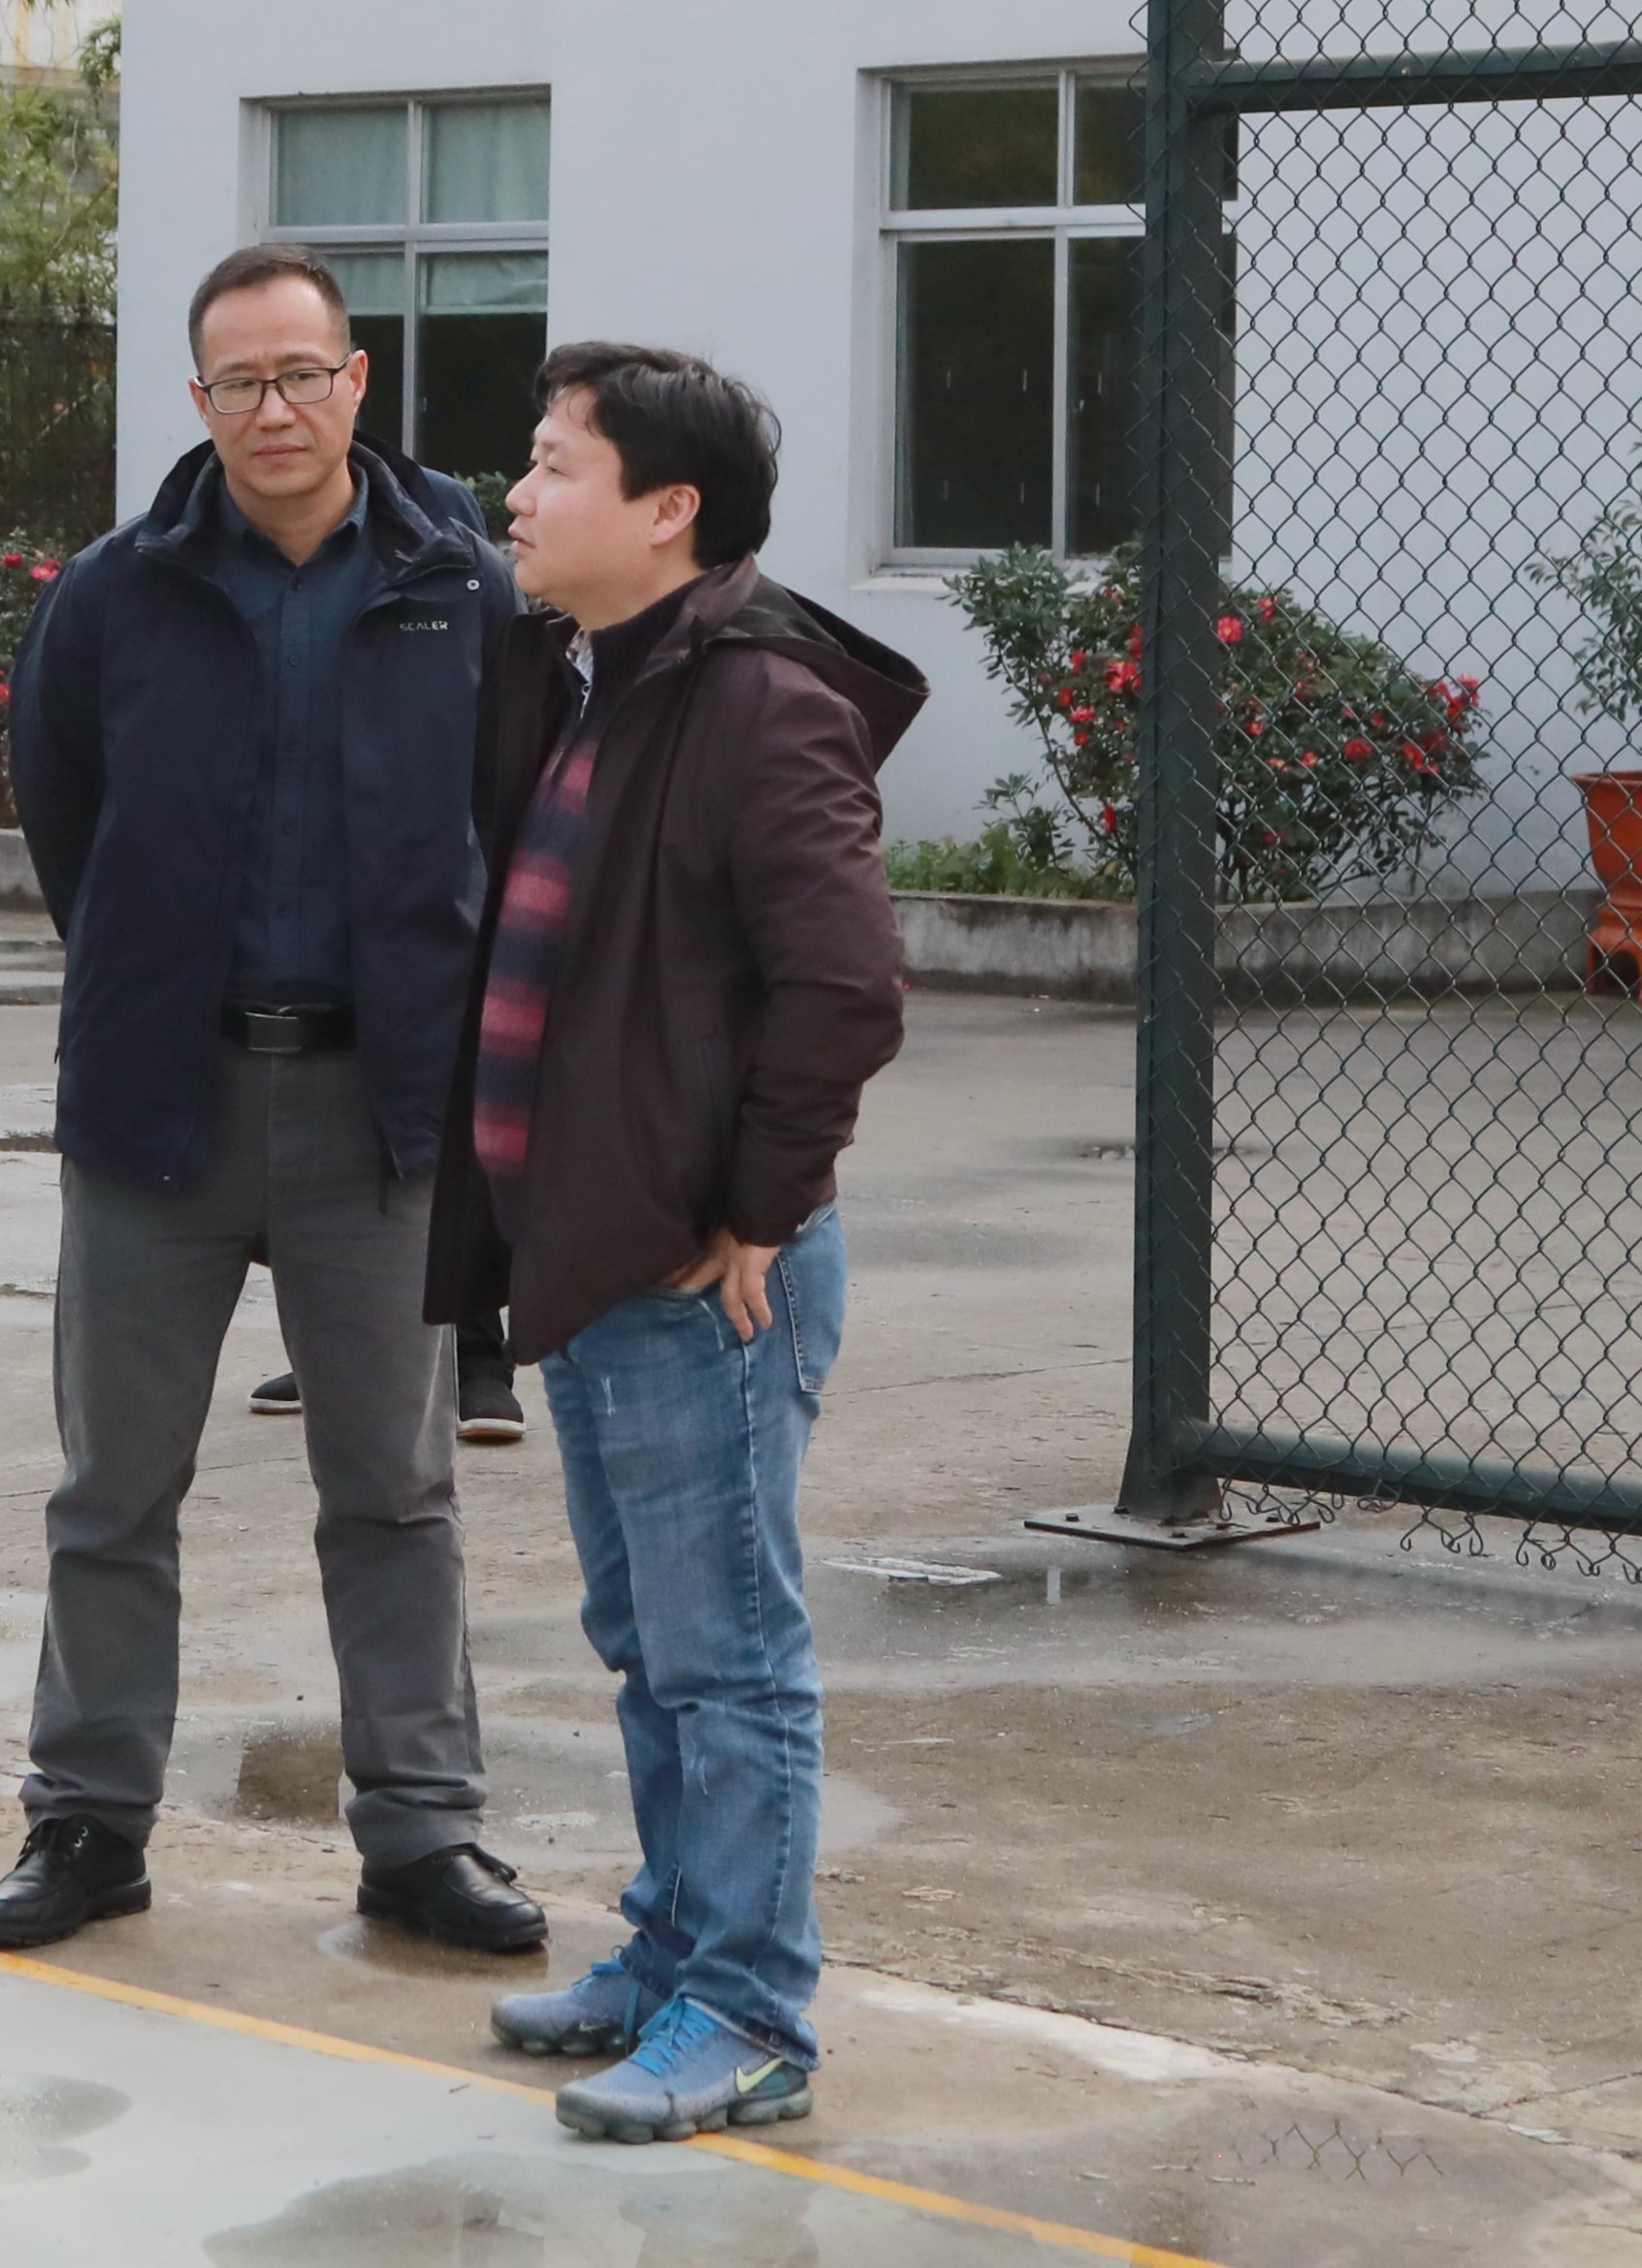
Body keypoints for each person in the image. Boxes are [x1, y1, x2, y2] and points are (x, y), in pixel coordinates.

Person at [0, 240, 545, 1962]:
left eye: (304, 374)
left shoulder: (462, 588)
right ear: (198, 397)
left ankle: (423, 1834)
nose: (274, 407)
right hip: (161, 1107)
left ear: (358, 384)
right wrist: (158, 988)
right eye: (241, 380)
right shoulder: (114, 595)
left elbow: (510, 824)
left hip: (383, 1115)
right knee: (113, 1488)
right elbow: (67, 821)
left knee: (396, 1490)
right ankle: (87, 1823)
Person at [441, 342, 919, 2146]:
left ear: (670, 511)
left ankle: (750, 2013)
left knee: (728, 1659)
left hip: (700, 1275)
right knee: (650, 1639)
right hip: (596, 1254)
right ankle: (671, 1952)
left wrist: (757, 1210)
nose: (518, 496)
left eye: (556, 466)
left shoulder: (755, 703)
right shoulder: (596, 676)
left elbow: (845, 986)